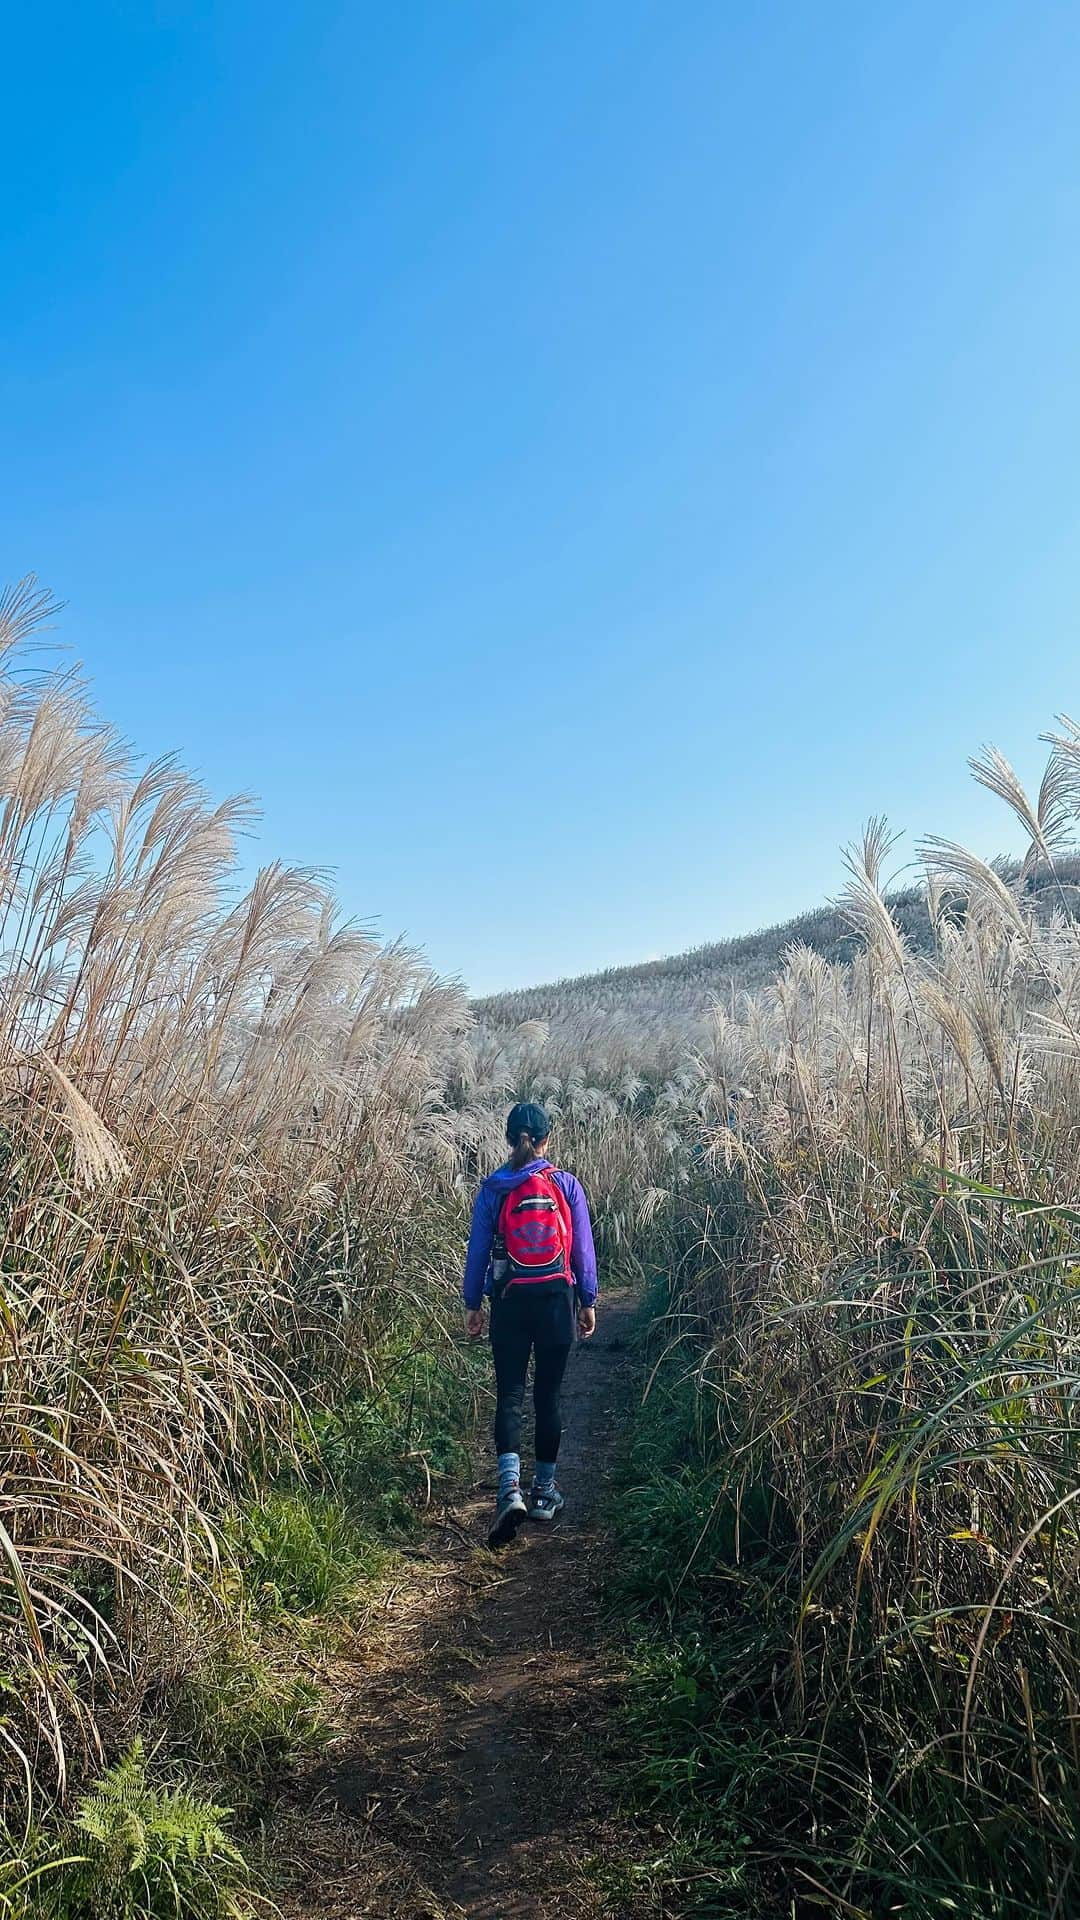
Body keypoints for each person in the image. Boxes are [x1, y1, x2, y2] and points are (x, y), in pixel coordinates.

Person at [463, 1102, 598, 1547]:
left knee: (510, 1395)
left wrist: (472, 1303)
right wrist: (587, 1301)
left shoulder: (495, 1188)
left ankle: (508, 1490)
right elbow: (582, 1248)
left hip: (509, 1301)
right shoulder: (565, 1184)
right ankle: (543, 1493)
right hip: (556, 1300)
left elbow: (478, 1249)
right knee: (548, 1395)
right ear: (546, 1139)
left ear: (507, 1140)